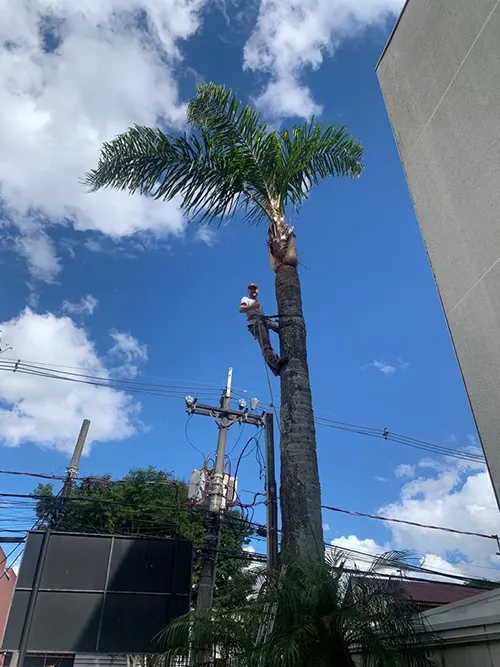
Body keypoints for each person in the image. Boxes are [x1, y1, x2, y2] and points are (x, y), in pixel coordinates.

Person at [239, 283, 287, 376]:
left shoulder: (260, 304)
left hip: (262, 321)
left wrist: (275, 327)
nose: (253, 290)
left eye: (255, 289)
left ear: (258, 291)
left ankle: (275, 369)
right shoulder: (246, 299)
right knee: (265, 345)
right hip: (255, 323)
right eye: (251, 289)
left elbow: (262, 316)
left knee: (276, 333)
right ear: (248, 291)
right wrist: (252, 306)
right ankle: (275, 362)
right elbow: (241, 309)